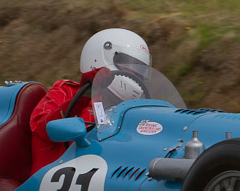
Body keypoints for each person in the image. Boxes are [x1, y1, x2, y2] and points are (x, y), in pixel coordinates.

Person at [29, 29, 153, 174]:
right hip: (53, 178)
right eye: (129, 66)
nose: (134, 74)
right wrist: (87, 98)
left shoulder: (131, 110)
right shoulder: (65, 91)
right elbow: (41, 129)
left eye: (139, 71)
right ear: (99, 58)